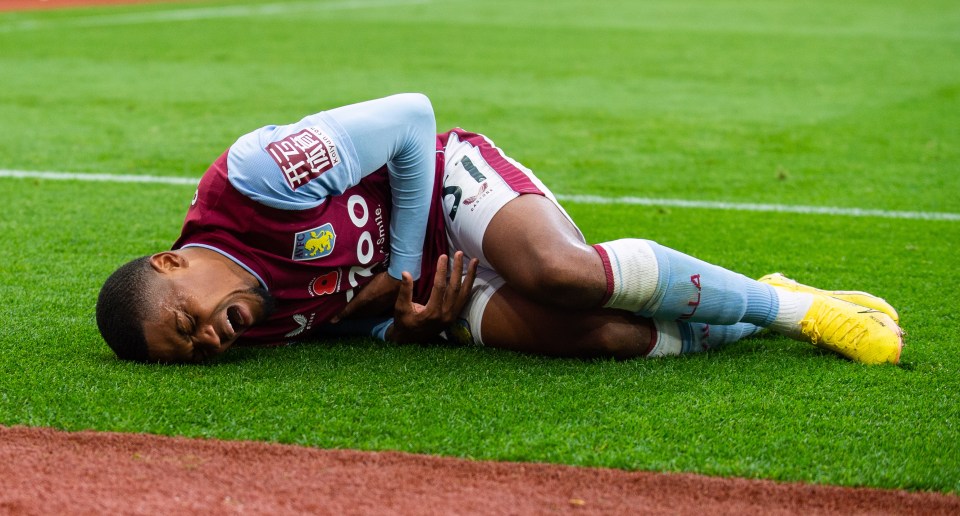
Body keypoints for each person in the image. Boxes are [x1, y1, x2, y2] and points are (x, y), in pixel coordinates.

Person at [95, 93, 904, 365]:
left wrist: (405, 263)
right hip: (435, 287)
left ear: (171, 264)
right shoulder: (255, 325)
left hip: (448, 187)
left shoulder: (257, 177)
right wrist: (408, 326)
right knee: (604, 339)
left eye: (184, 321)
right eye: (193, 351)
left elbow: (412, 117)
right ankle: (763, 300)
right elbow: (357, 326)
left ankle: (803, 317)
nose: (209, 339)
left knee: (563, 275)